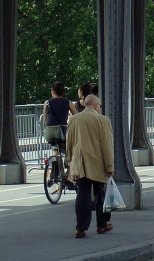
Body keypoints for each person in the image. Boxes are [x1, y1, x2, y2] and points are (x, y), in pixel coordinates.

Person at [66, 95, 114, 238]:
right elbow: (107, 145)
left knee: (83, 195)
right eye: (100, 106)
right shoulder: (103, 120)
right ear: (96, 106)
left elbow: (69, 142)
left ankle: (81, 228)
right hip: (97, 162)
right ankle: (102, 225)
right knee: (100, 195)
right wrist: (109, 165)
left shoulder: (73, 119)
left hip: (79, 163)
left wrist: (69, 161)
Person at [43, 81, 77, 152]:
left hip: (49, 131)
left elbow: (45, 120)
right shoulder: (68, 102)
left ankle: (55, 159)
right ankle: (66, 161)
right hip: (62, 130)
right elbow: (76, 116)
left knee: (55, 148)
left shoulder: (47, 103)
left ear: (54, 91)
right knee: (67, 149)